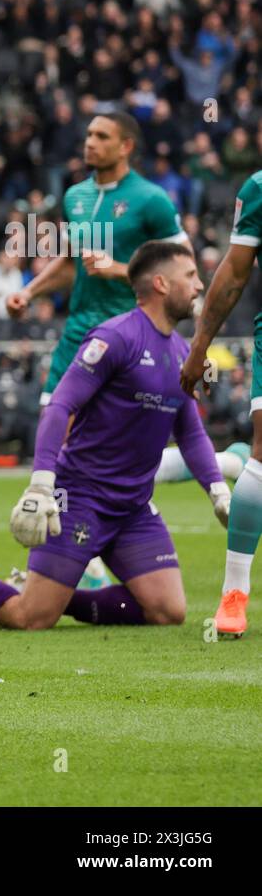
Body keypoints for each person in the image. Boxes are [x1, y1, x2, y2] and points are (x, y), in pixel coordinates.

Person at [0, 242, 228, 630]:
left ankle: (44, 593)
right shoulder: (114, 338)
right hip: (81, 494)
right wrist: (41, 485)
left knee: (168, 611)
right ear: (161, 284)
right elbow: (59, 407)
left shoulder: (184, 351)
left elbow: (189, 430)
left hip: (133, 506)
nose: (200, 285)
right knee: (31, 617)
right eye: (190, 276)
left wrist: (218, 491)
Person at [4, 109, 243, 588]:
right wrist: (31, 292)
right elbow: (76, 261)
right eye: (88, 134)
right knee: (64, 435)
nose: (89, 143)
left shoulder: (151, 200)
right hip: (78, 333)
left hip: (131, 336)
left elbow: (183, 266)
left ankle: (83, 558)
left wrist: (122, 270)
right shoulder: (76, 195)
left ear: (126, 145)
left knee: (118, 451)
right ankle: (80, 558)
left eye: (101, 136)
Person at [179, 164, 262, 636]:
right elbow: (233, 273)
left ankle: (227, 463)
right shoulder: (258, 189)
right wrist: (198, 345)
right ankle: (234, 593)